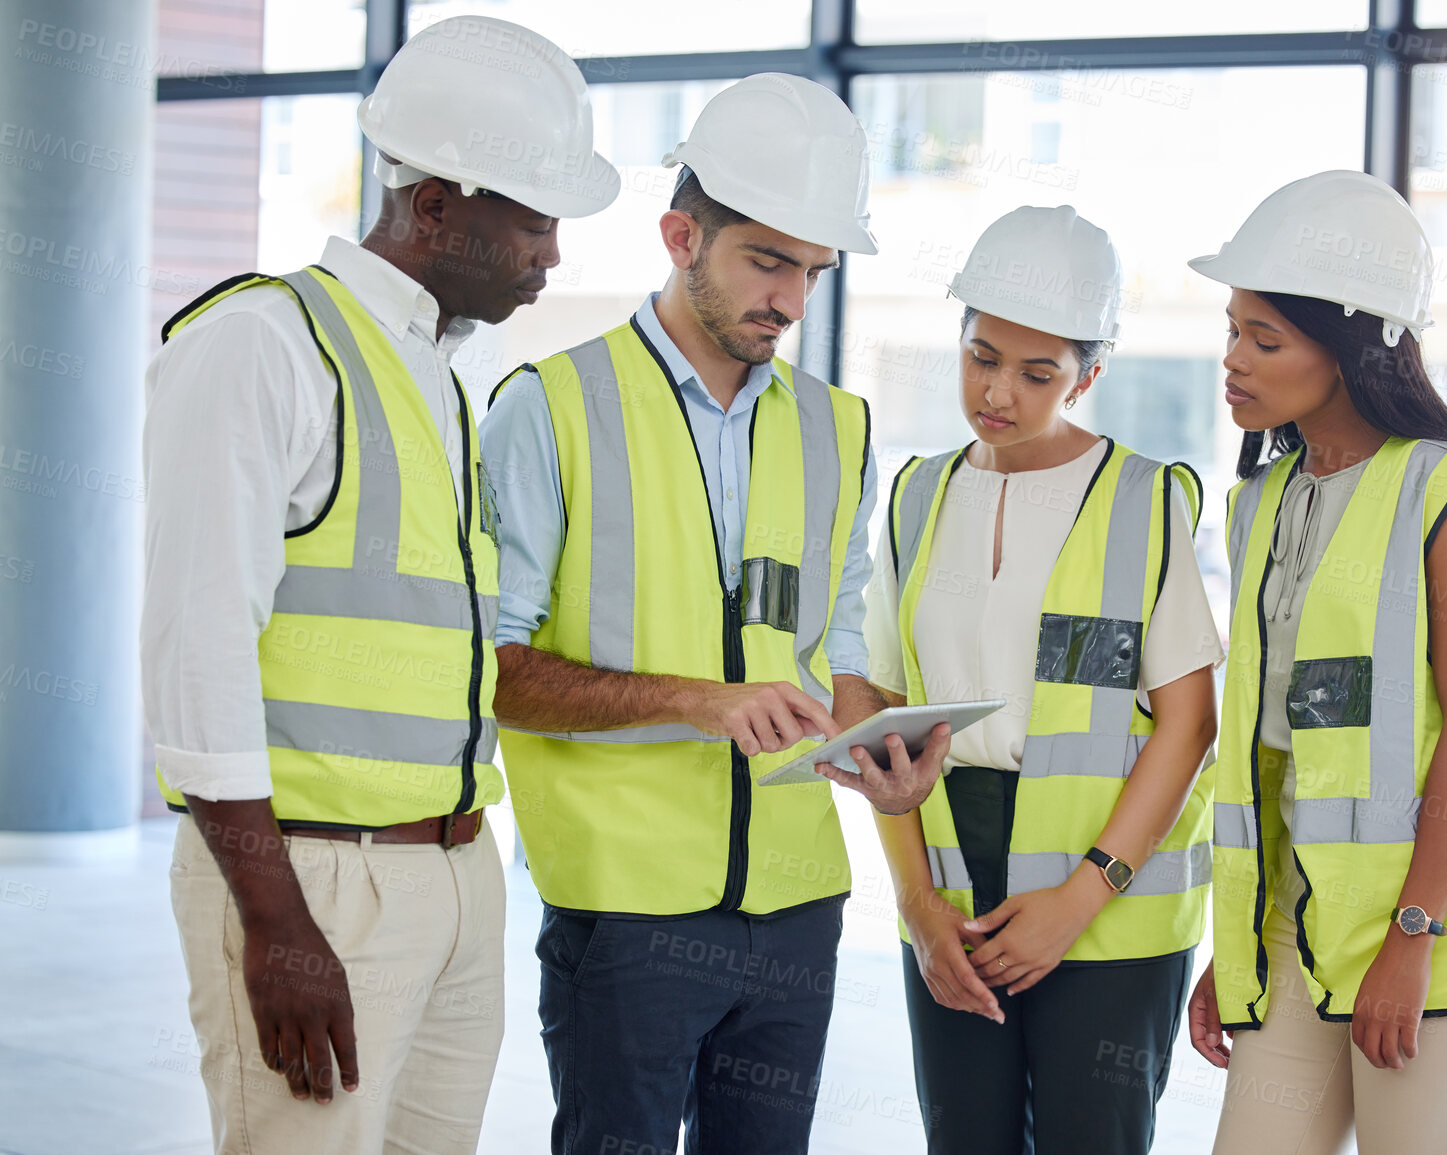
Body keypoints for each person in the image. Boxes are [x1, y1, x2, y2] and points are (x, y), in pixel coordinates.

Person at [140, 17, 617, 1153]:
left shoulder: (439, 378)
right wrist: (274, 921)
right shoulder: (268, 342)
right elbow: (194, 645)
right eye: (534, 220)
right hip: (312, 882)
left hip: (452, 871)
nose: (553, 255)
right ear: (434, 206)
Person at [479, 73, 948, 1155]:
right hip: (626, 909)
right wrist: (697, 701)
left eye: (812, 272)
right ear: (680, 234)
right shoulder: (549, 407)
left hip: (795, 901)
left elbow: (832, 647)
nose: (788, 300)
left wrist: (884, 745)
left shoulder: (838, 428)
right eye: (766, 260)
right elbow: (493, 669)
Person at [1183, 170, 1447, 1155]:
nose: (1233, 360)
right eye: (1231, 330)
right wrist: (1238, 948)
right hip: (1303, 934)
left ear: (1357, 348)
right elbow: (1275, 753)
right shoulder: (1262, 500)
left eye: (1264, 339)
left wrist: (1413, 937)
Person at [862, 205, 1222, 1154]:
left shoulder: (1146, 499)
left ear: (1088, 375)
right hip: (951, 897)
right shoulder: (913, 495)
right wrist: (916, 905)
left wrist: (1080, 898)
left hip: (1105, 904)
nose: (999, 393)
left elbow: (1188, 726)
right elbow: (880, 709)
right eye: (982, 357)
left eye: (1038, 373)